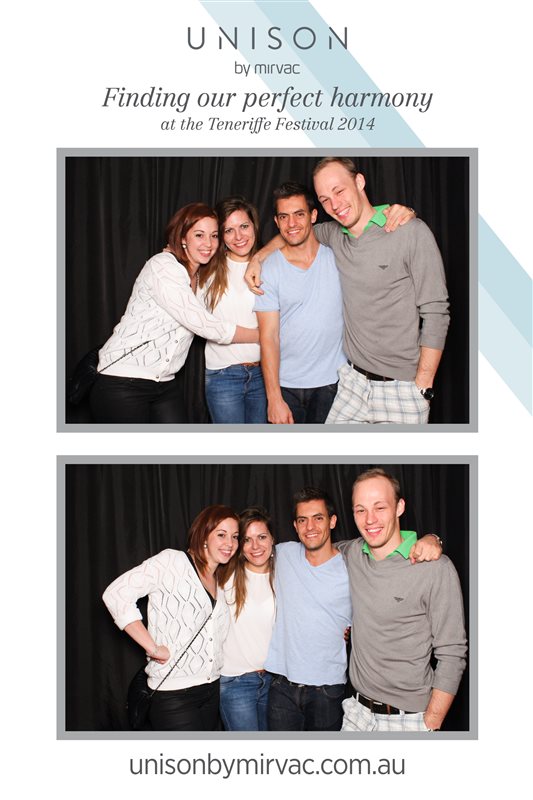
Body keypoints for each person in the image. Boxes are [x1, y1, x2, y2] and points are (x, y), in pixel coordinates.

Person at [264, 487, 442, 731]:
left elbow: (388, 548)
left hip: (328, 690)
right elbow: (245, 551)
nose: (310, 527)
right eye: (302, 520)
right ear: (295, 526)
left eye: (318, 518)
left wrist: (432, 538)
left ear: (332, 521)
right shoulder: (283, 554)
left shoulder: (353, 562)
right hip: (281, 687)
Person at [90, 203, 259, 423]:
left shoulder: (200, 276)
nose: (208, 243)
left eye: (214, 235)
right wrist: (262, 334)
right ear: (182, 238)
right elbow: (204, 325)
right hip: (122, 379)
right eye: (199, 235)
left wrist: (259, 257)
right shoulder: (163, 265)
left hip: (164, 382)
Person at [312, 158, 449, 424]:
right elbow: (294, 232)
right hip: (352, 385)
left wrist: (422, 386)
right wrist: (259, 258)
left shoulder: (410, 231)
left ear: (359, 181)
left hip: (402, 390)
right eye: (325, 199)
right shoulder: (334, 234)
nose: (334, 205)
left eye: (339, 191)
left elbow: (436, 311)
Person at [338, 469, 467, 732]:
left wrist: (431, 722)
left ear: (399, 507)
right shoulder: (352, 553)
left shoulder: (435, 568)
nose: (370, 519)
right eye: (360, 510)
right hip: (356, 713)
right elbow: (316, 550)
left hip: (409, 719)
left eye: (380, 507)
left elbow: (453, 653)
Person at [102, 505, 239, 731]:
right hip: (174, 695)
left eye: (235, 536)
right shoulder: (172, 562)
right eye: (221, 535)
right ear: (204, 535)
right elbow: (116, 595)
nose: (230, 543)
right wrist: (153, 648)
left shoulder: (220, 581)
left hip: (211, 690)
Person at [254, 182, 345, 424]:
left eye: (299, 214)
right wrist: (274, 398)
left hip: (333, 383)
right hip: (286, 387)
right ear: (276, 222)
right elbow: (268, 337)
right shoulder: (269, 268)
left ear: (313, 216)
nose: (291, 223)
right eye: (284, 217)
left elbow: (363, 221)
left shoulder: (337, 255)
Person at [199, 197, 267, 423]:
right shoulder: (207, 269)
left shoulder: (269, 264)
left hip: (264, 374)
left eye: (244, 226)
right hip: (223, 375)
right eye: (229, 230)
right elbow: (201, 324)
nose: (239, 236)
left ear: (254, 226)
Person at [217, 507, 276, 730]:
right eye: (247, 540)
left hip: (275, 681)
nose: (255, 546)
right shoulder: (225, 577)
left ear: (272, 539)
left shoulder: (285, 575)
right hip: (236, 682)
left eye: (262, 537)